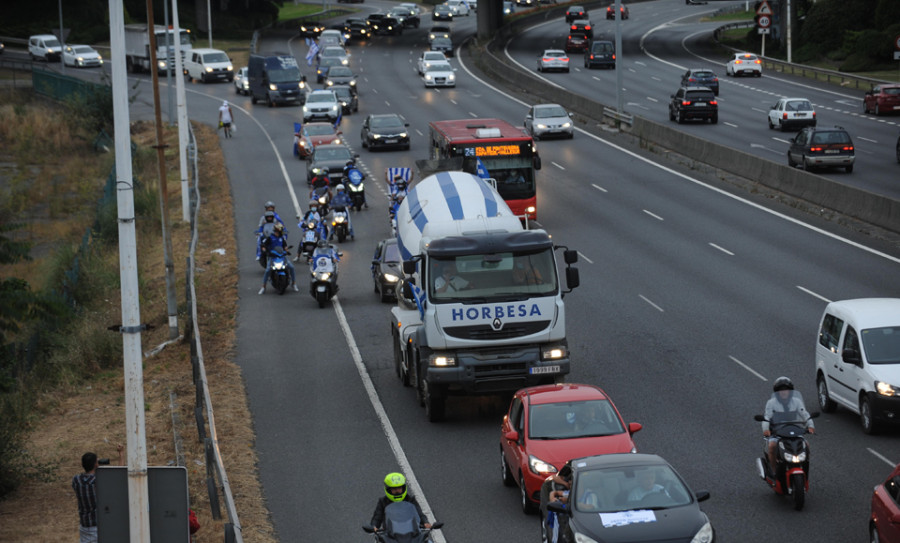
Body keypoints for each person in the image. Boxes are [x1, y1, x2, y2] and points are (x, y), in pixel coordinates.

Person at [762, 376, 815, 475]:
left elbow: (805, 414)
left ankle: (804, 468)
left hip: (794, 431)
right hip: (777, 433)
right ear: (777, 392)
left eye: (786, 390)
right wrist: (766, 429)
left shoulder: (797, 402)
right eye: (781, 390)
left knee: (806, 445)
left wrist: (810, 426)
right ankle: (774, 471)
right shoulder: (771, 403)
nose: (784, 392)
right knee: (772, 446)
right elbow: (767, 417)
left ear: (790, 391)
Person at [72, 444, 124, 543]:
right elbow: (118, 475)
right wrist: (121, 454)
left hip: (84, 526)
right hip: (98, 526)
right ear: (96, 464)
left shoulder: (76, 480)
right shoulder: (99, 481)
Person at [259, 223, 298, 294]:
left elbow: (285, 246)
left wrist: (287, 250)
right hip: (272, 257)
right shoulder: (270, 238)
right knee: (267, 270)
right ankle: (263, 287)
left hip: (282, 256)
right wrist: (264, 249)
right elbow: (263, 245)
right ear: (277, 230)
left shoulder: (282, 238)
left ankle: (294, 283)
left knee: (291, 267)